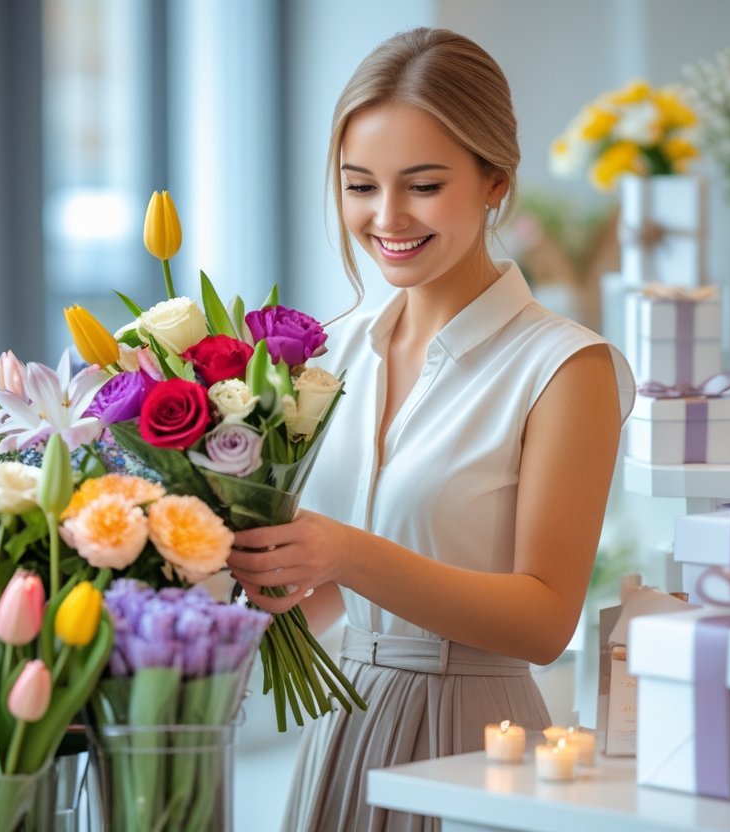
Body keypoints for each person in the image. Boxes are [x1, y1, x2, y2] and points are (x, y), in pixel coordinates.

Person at [226, 27, 635, 832]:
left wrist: (342, 551)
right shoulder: (335, 351)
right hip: (343, 723)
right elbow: (331, 588)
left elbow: (544, 620)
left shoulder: (565, 367)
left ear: (495, 182)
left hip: (477, 742)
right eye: (360, 185)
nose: (387, 217)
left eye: (422, 185)